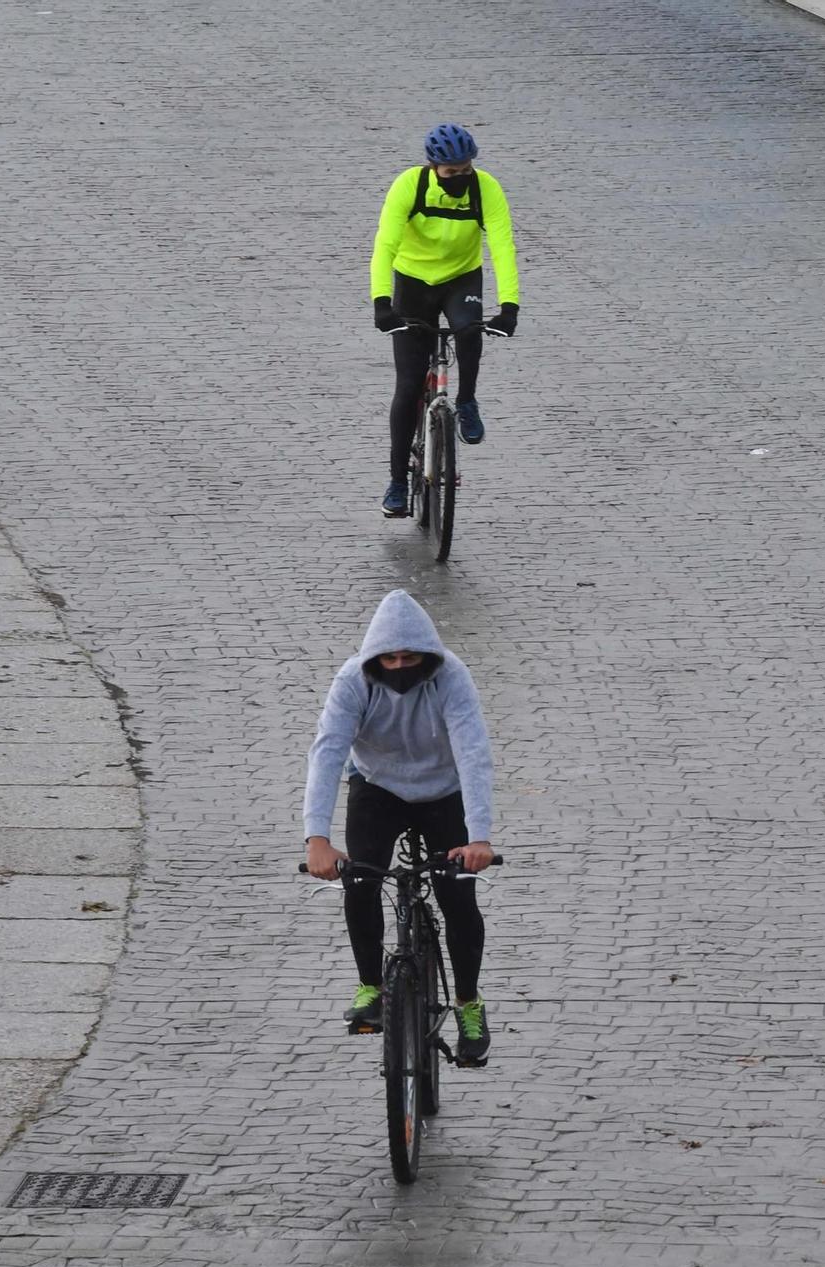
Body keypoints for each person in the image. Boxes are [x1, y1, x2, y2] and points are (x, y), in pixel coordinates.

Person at [303, 589, 499, 1064]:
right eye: (388, 658)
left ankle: (469, 1002)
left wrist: (479, 838)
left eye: (409, 657)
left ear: (428, 657)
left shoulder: (452, 677)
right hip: (377, 788)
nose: (398, 666)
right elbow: (327, 753)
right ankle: (371, 985)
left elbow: (473, 754)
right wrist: (317, 839)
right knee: (362, 882)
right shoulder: (353, 680)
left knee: (458, 895)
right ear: (373, 659)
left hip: (443, 792)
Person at [371, 123, 521, 517]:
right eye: (450, 172)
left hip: (460, 278)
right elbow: (384, 244)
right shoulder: (409, 185)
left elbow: (502, 247)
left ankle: (467, 401)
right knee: (407, 387)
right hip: (413, 282)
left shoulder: (486, 188)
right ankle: (397, 483)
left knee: (470, 330)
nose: (459, 177)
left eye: (465, 170)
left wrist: (510, 307)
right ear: (433, 166)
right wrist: (381, 303)